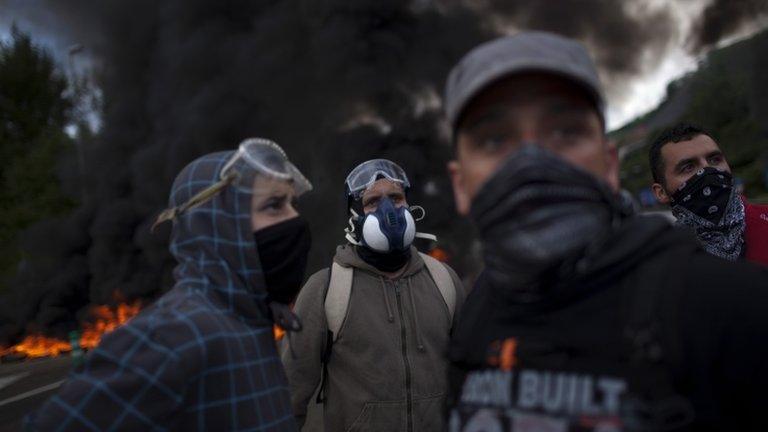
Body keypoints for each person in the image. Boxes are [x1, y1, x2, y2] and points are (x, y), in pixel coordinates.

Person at [444, 31, 768, 431]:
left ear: (610, 166)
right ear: (460, 185)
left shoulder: (733, 307)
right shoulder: (476, 315)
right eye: (494, 139)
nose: (532, 162)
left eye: (565, 131)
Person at [26, 138, 313, 431]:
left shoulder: (253, 321)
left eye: (293, 203)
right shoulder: (171, 334)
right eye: (274, 205)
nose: (295, 218)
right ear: (216, 222)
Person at [281, 159, 466, 432]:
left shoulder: (444, 281)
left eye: (396, 198)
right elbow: (288, 396)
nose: (389, 210)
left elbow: (473, 375)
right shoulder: (326, 290)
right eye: (373, 202)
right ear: (355, 215)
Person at [649, 123, 768, 266]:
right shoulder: (662, 263)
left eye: (715, 160)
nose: (707, 170)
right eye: (688, 167)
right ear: (661, 192)